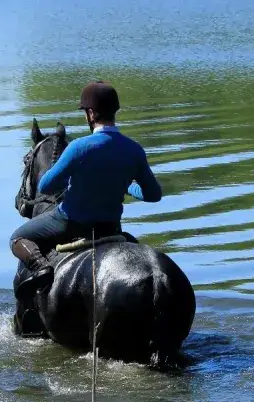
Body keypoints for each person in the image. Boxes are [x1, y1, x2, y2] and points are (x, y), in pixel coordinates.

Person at [9, 81, 163, 294]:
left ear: (91, 113)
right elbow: (154, 194)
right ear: (114, 111)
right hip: (110, 226)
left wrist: (70, 179)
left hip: (70, 223)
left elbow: (46, 185)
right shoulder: (134, 149)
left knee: (17, 238)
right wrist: (128, 188)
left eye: (85, 112)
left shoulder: (79, 147)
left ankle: (41, 268)